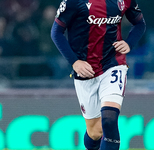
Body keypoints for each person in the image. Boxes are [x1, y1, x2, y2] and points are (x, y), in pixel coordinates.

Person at [51, 0, 146, 149]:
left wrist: (129, 43)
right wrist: (75, 62)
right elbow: (56, 32)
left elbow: (140, 23)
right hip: (85, 70)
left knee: (109, 120)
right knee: (95, 132)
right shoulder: (73, 2)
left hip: (114, 64)